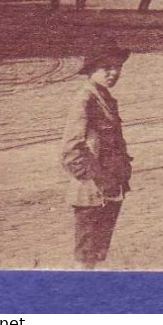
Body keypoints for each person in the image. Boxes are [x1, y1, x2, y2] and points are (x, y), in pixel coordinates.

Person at [61, 42, 133, 269]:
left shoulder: (105, 98)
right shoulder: (85, 100)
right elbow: (72, 151)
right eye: (106, 67)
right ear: (92, 69)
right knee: (85, 259)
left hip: (110, 190)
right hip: (92, 193)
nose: (113, 73)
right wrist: (99, 180)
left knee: (96, 255)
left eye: (118, 67)